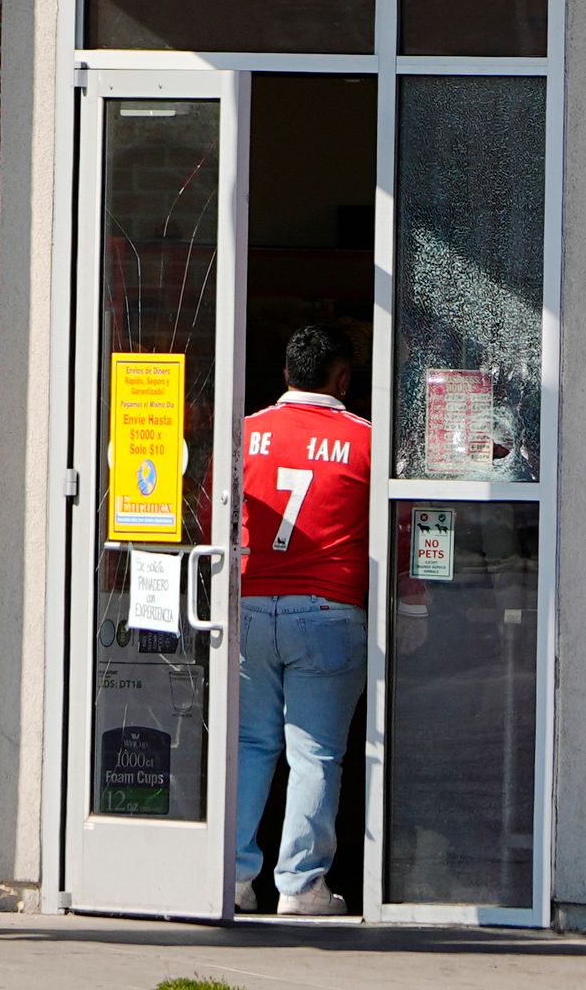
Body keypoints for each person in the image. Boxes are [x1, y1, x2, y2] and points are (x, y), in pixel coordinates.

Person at [235, 322, 370, 916]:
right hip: (328, 611)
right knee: (313, 755)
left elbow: (216, 514)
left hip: (248, 604)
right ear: (342, 380)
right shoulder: (366, 441)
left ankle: (232, 878)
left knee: (249, 744)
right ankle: (300, 887)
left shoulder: (246, 435)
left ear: (286, 375)